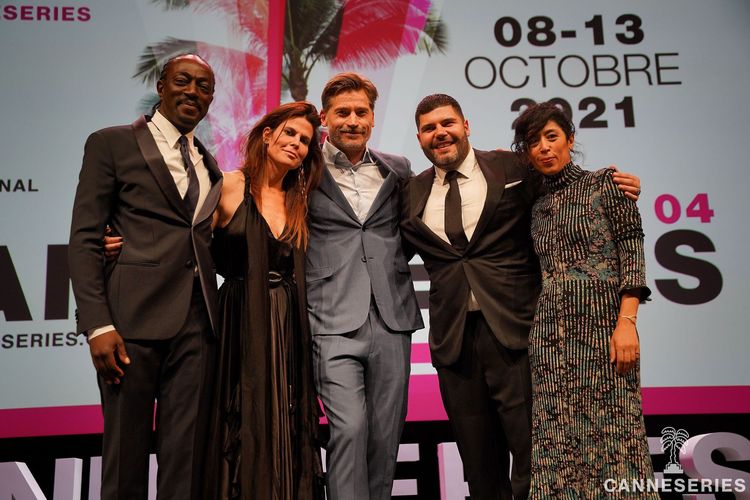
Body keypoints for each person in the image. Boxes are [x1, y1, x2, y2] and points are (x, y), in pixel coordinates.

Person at [399, 94, 641, 499]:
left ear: (466, 126)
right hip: (454, 345)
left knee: (534, 458)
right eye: (429, 128)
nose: (440, 133)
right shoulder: (410, 192)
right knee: (479, 466)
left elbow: (566, 187)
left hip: (518, 335)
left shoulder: (513, 167)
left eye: (448, 123)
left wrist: (615, 185)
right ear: (420, 137)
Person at [68, 54, 222, 499]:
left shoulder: (208, 162)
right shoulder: (111, 143)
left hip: (197, 327)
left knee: (185, 462)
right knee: (125, 460)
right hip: (129, 325)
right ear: (161, 86)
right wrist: (98, 324)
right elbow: (84, 238)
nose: (193, 92)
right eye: (183, 81)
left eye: (204, 87)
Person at [511, 102, 655, 498]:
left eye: (551, 137)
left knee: (617, 431)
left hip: (604, 327)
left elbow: (632, 252)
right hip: (549, 337)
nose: (544, 147)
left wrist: (627, 323)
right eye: (533, 142)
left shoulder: (606, 183)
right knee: (556, 436)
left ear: (570, 139)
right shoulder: (534, 205)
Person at [306, 72, 423, 500]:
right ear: (325, 118)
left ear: (373, 117)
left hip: (392, 316)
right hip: (330, 318)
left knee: (384, 433)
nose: (352, 121)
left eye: (361, 112)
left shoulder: (398, 168)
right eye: (343, 113)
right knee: (349, 428)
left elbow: (414, 228)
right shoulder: (303, 169)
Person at [203, 101, 326, 499]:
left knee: (286, 417)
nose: (297, 144)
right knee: (241, 417)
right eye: (290, 133)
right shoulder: (227, 184)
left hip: (289, 323)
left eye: (305, 140)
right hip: (238, 319)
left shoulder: (300, 199)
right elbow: (186, 242)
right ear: (268, 134)